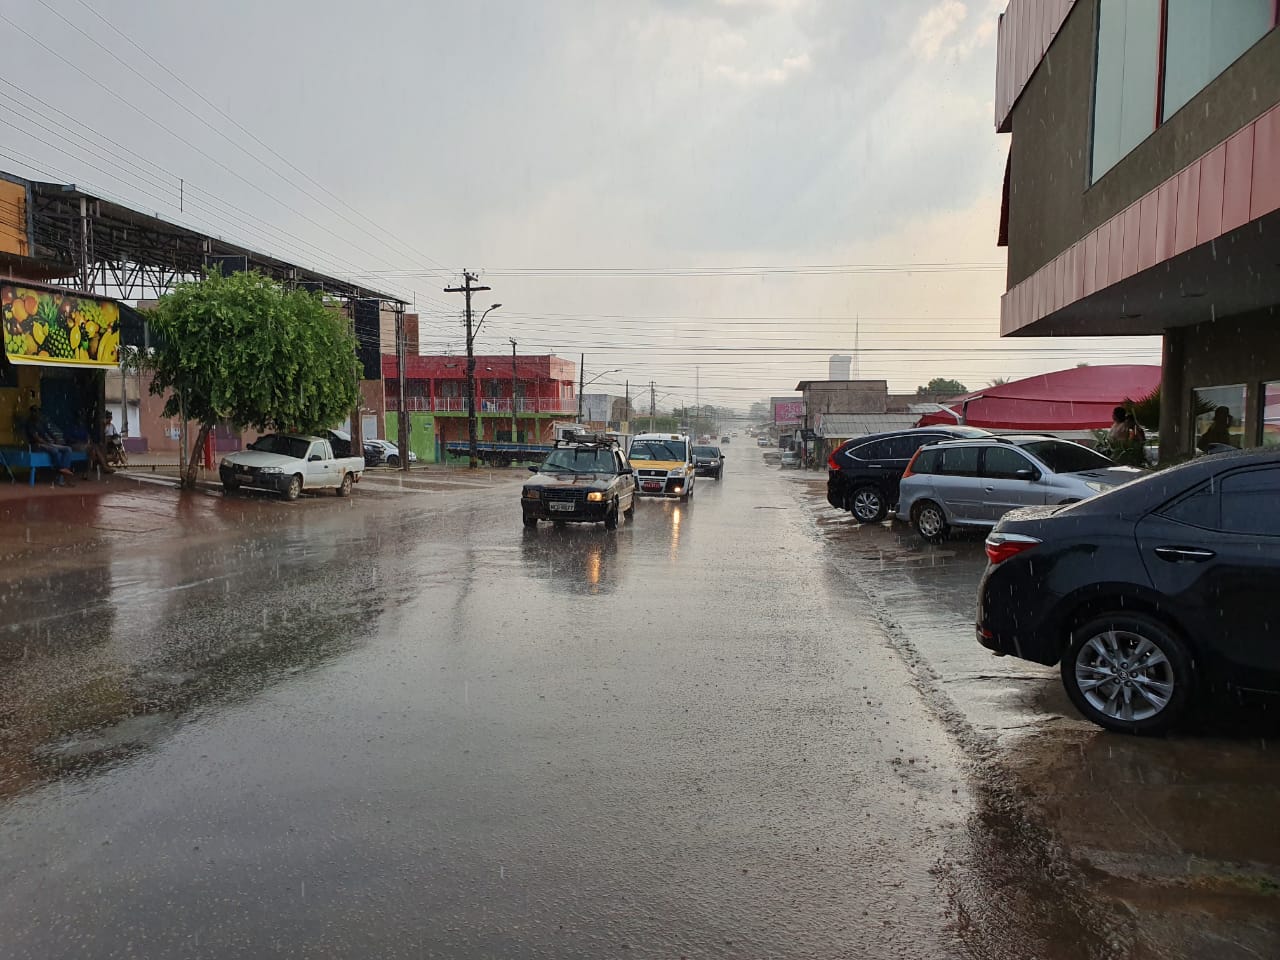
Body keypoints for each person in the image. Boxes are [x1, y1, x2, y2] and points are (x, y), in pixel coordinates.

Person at [24, 405, 75, 485]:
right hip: (36, 445)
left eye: (38, 411)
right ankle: (60, 469)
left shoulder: (41, 422)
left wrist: (56, 440)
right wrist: (49, 444)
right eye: (35, 411)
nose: (37, 413)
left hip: (47, 444)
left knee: (68, 449)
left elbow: (49, 432)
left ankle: (64, 469)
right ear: (31, 412)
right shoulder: (29, 423)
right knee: (54, 450)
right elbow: (37, 438)